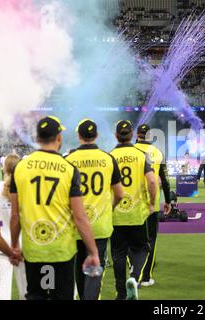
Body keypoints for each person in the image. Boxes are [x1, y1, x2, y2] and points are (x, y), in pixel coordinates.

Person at [10, 116, 100, 300]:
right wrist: (93, 251)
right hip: (61, 250)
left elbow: (15, 215)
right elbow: (80, 217)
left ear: (37, 138)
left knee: (36, 296)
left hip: (34, 248)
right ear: (59, 138)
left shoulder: (20, 167)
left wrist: (14, 246)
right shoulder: (68, 169)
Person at [65, 119, 123, 300]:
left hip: (75, 224)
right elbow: (120, 194)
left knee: (79, 266)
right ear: (96, 135)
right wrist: (109, 208)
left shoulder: (67, 160)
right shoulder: (108, 159)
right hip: (99, 224)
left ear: (78, 136)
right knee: (94, 268)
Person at [110, 120, 157, 300]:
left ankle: (121, 293)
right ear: (131, 135)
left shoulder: (110, 156)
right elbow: (152, 181)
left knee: (118, 254)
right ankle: (134, 277)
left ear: (116, 135)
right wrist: (152, 203)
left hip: (115, 213)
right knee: (142, 248)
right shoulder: (141, 154)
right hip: (137, 213)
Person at [134, 124, 171, 287]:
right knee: (151, 240)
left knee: (131, 239)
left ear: (137, 134)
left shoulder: (129, 151)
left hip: (131, 204)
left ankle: (134, 271)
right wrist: (168, 200)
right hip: (152, 203)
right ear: (150, 135)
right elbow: (166, 180)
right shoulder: (158, 153)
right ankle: (146, 276)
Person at [0, 154, 27, 300]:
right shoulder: (26, 188)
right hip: (23, 246)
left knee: (2, 292)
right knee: (27, 292)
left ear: (3, 168)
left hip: (1, 246)